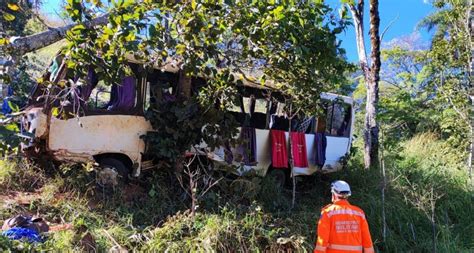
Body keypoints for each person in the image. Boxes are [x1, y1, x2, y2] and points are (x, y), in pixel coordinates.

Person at [314, 180, 374, 253]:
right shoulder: (359, 213)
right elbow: (368, 243)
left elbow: (322, 242)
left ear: (334, 194)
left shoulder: (328, 213)